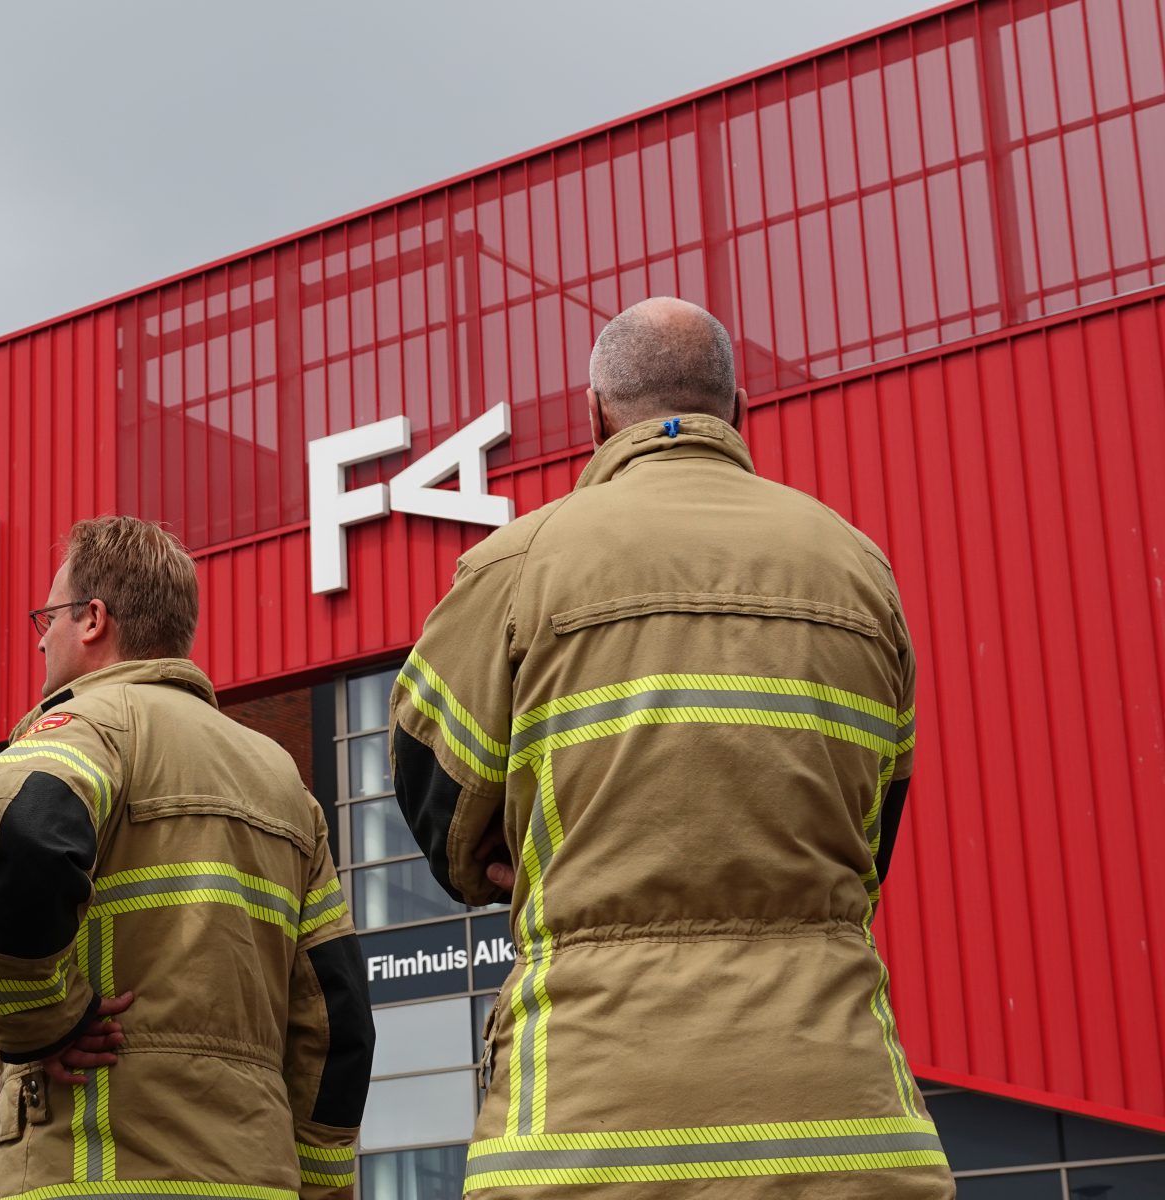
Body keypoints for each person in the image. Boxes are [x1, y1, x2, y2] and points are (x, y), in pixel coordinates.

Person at [391, 297, 951, 1197]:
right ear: (740, 409)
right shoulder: (858, 568)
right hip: (846, 1130)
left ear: (593, 415)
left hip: (581, 1132)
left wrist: (515, 860)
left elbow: (433, 793)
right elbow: (871, 827)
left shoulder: (517, 565)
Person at [0, 517, 375, 1200]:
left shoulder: (87, 726)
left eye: (48, 616)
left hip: (94, 1171)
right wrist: (319, 1187)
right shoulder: (281, 779)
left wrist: (44, 1021)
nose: (39, 635)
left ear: (92, 620)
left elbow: (29, 829)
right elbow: (338, 1013)